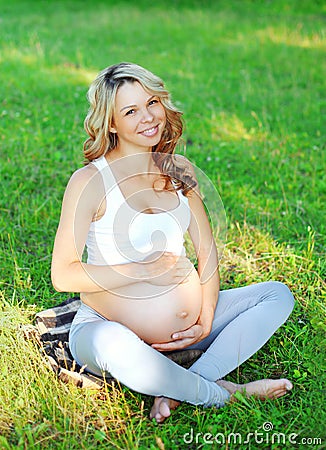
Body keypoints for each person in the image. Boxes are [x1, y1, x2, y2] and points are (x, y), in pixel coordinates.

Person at [51, 62, 295, 423]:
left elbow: (207, 250)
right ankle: (225, 394)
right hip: (107, 328)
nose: (148, 117)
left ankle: (182, 385)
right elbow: (64, 275)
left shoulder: (178, 168)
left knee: (277, 295)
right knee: (115, 347)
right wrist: (140, 269)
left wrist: (206, 317)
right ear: (112, 123)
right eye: (131, 110)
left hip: (188, 329)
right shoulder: (89, 181)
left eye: (152, 102)